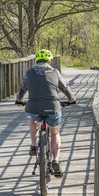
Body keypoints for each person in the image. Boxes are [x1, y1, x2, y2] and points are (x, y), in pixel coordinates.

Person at [15, 49, 76, 177]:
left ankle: (33, 145)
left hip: (34, 106)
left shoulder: (29, 72)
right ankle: (55, 160)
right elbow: (65, 87)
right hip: (52, 106)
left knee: (33, 119)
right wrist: (71, 100)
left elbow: (22, 87)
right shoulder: (55, 72)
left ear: (36, 60)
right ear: (49, 61)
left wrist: (19, 100)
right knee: (54, 132)